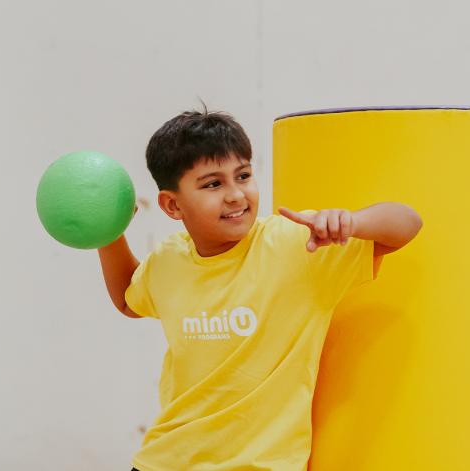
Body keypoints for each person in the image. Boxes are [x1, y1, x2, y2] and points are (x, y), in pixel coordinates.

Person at [98, 106, 422, 471]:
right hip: (164, 461)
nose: (236, 194)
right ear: (173, 205)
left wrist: (354, 221)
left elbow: (407, 225)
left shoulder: (298, 247)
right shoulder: (168, 261)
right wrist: (105, 233)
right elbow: (129, 298)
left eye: (244, 175)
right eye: (213, 184)